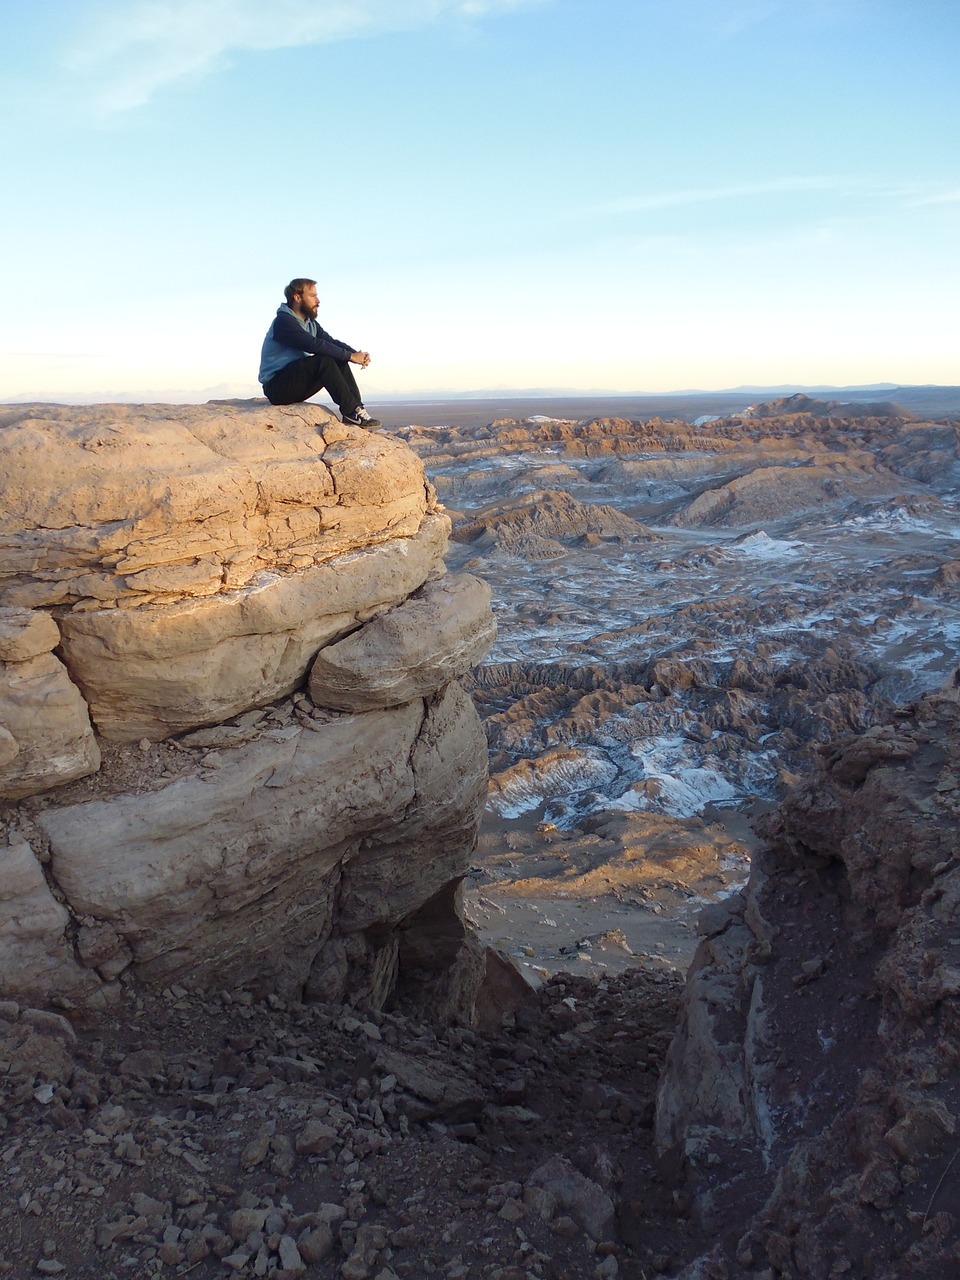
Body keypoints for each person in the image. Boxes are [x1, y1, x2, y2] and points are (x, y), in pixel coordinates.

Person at [258, 278, 381, 427]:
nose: (318, 301)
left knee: (337, 356)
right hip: (277, 388)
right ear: (297, 297)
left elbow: (330, 342)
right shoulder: (283, 322)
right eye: (312, 296)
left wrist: (356, 355)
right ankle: (350, 411)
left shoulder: (310, 323)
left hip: (295, 381)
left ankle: (356, 409)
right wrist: (350, 356)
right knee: (324, 360)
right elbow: (312, 344)